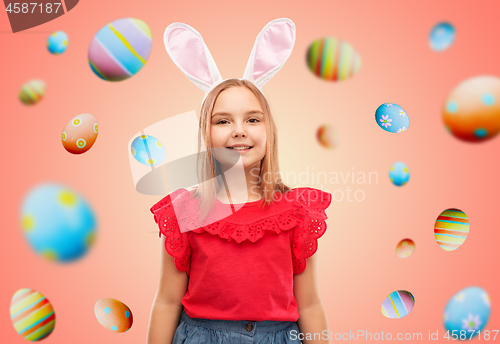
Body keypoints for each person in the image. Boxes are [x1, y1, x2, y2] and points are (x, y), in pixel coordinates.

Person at [147, 19, 332, 344]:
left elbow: (310, 304)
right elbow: (167, 301)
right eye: (223, 121)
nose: (238, 130)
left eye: (252, 119)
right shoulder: (185, 211)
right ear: (206, 134)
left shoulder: (297, 212)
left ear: (268, 130)